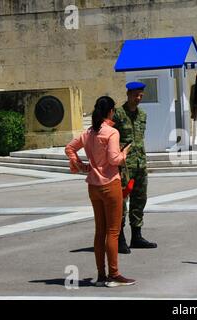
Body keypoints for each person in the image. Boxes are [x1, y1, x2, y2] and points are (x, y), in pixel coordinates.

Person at [65, 96, 135, 287]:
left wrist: (81, 166)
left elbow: (69, 148)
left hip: (93, 186)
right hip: (110, 183)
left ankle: (101, 275)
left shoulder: (88, 133)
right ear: (111, 111)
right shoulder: (111, 132)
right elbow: (114, 159)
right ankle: (114, 274)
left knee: (100, 231)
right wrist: (124, 153)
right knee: (113, 231)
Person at [113, 81, 157, 254]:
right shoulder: (118, 115)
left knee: (140, 199)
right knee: (121, 202)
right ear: (128, 94)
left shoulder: (142, 115)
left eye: (141, 95)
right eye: (135, 95)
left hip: (140, 164)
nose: (138, 98)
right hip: (124, 167)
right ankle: (120, 238)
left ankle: (136, 236)